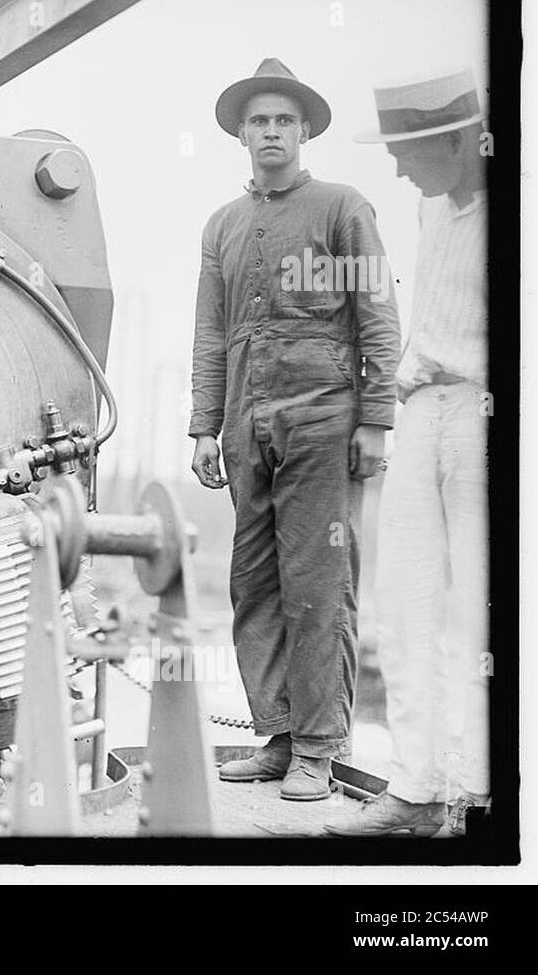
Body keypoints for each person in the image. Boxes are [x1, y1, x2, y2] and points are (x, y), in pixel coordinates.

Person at [189, 58, 402, 801]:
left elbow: (377, 314)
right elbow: (211, 337)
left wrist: (377, 417)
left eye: (283, 120)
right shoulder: (223, 225)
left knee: (318, 586)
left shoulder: (342, 208)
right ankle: (278, 737)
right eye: (258, 121)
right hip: (248, 427)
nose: (271, 131)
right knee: (252, 584)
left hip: (323, 419)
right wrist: (202, 426)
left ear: (304, 130)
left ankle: (319, 746)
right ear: (241, 134)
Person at [326, 69, 489, 837]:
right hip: (420, 408)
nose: (396, 168)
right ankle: (417, 789)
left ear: (457, 141)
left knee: (482, 615)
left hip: (487, 412)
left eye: (408, 151)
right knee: (406, 605)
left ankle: (482, 793)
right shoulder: (432, 206)